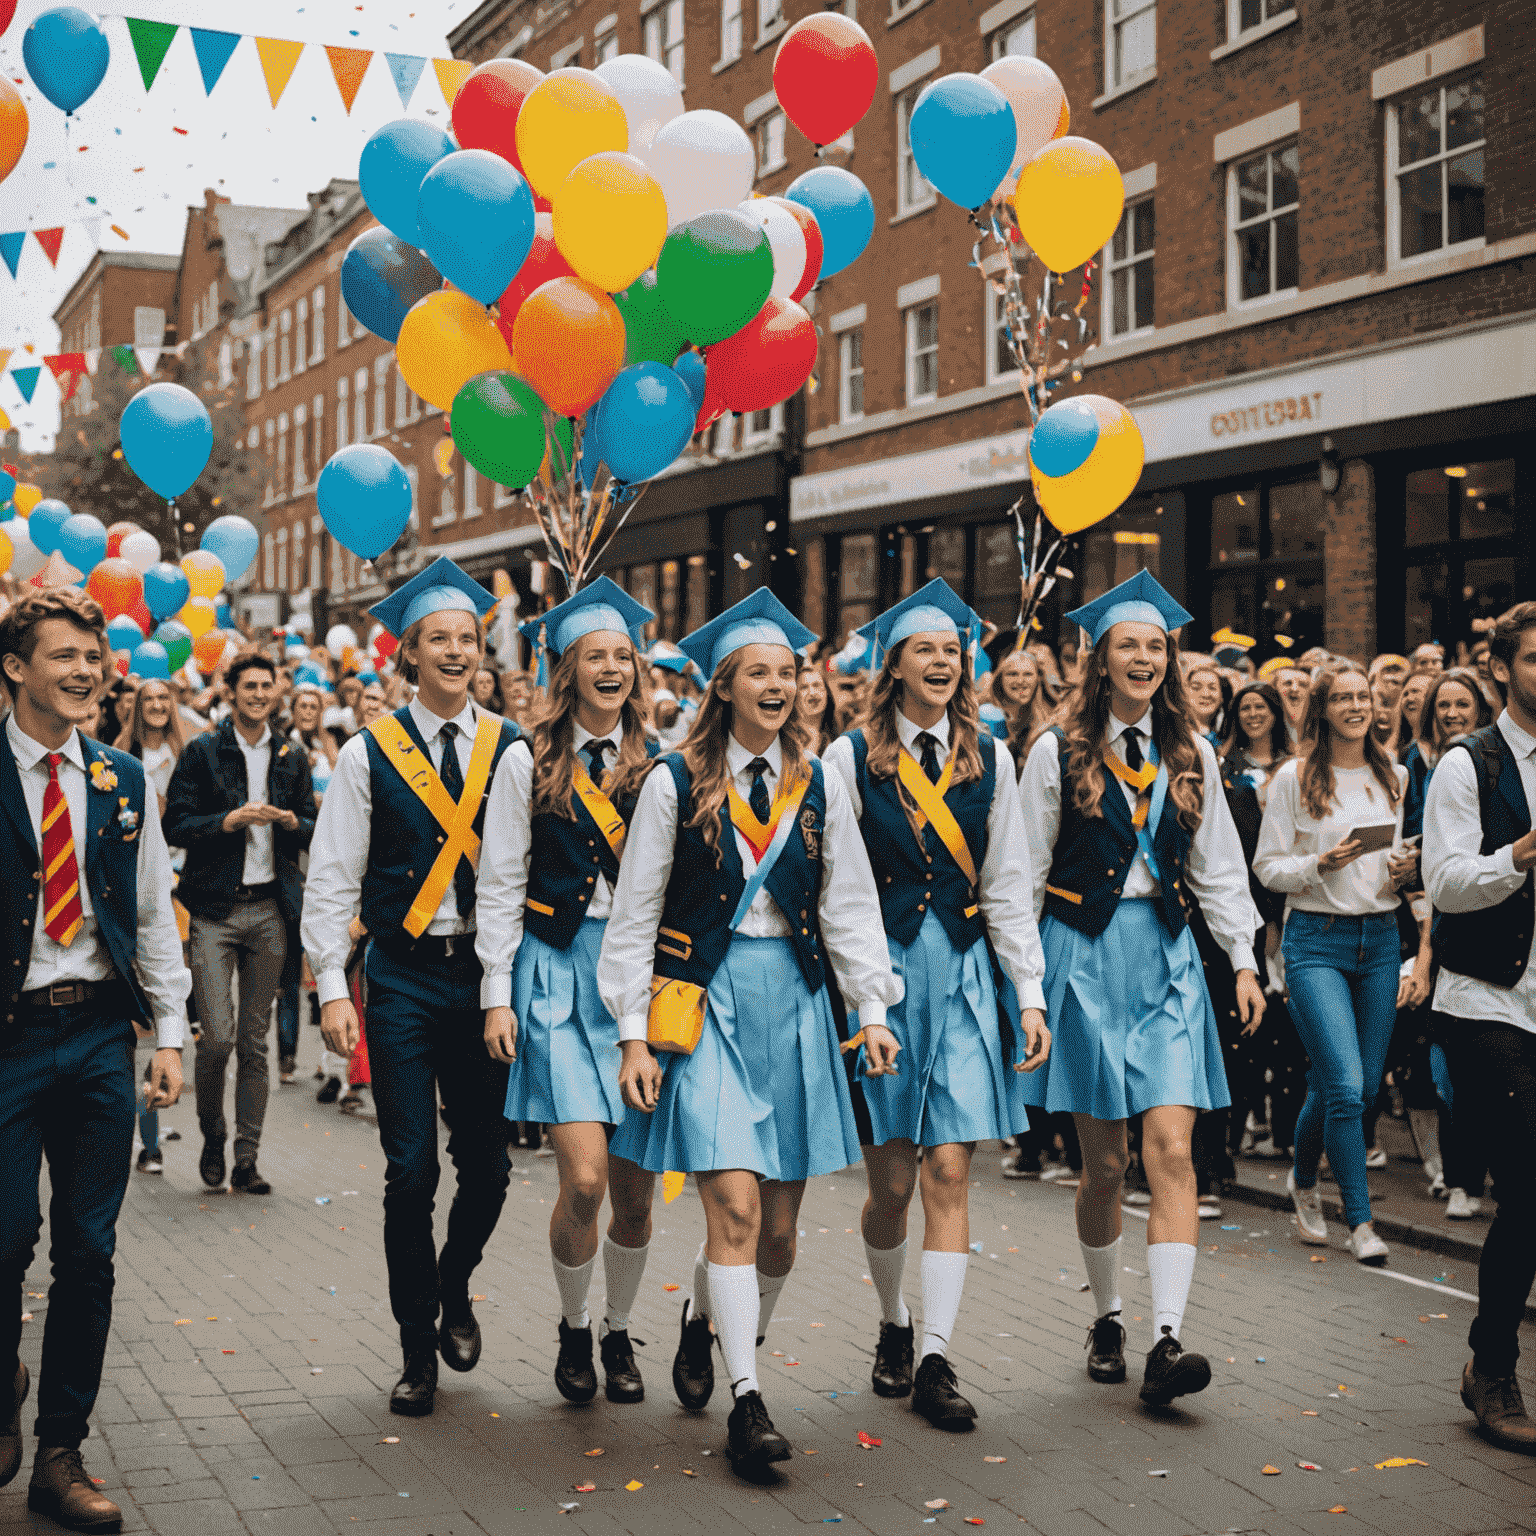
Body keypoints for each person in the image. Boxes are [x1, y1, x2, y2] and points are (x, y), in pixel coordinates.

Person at [598, 588, 900, 1475]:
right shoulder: (670, 781)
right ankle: (748, 1399)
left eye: (788, 673)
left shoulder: (821, 781)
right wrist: (631, 1034)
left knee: (777, 1231)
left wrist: (871, 1011)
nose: (778, 686)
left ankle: (705, 1322)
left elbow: (850, 905)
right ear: (724, 686)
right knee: (729, 1203)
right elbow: (634, 916)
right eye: (759, 673)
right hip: (707, 1005)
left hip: (799, 1006)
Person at [1018, 570, 1263, 1406]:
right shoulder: (1055, 749)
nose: (1146, 658)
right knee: (1104, 1163)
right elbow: (1019, 875)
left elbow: (1220, 869)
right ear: (1099, 657)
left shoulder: (1190, 753)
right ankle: (1109, 1314)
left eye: (1158, 646)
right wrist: (1028, 988)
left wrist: (1242, 960)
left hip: (1165, 958)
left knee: (1170, 1151)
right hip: (1082, 956)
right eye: (1131, 644)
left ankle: (1166, 1339)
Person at [823, 581, 1050, 1428]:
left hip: (959, 978)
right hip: (881, 980)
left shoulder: (993, 756)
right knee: (889, 1186)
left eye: (954, 651)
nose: (944, 662)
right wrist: (864, 996)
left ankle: (937, 1359)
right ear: (894, 666)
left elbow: (1008, 885)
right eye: (927, 650)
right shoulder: (847, 759)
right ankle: (893, 1321)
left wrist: (1026, 993)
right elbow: (839, 889)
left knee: (951, 1170)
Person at [302, 558, 520, 1419]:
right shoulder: (368, 754)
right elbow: (331, 875)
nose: (458, 651)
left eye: (468, 638)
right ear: (411, 656)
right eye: (441, 639)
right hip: (395, 978)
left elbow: (505, 879)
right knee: (408, 1172)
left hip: (477, 978)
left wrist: (499, 987)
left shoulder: (508, 746)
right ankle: (415, 1345)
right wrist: (329, 986)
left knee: (491, 1169)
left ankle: (453, 1282)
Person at [0, 587, 189, 1531]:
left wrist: (171, 1034)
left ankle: (59, 1454)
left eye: (93, 656)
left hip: (101, 1039)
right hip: (9, 1040)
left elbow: (153, 912)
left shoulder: (120, 779)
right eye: (64, 655)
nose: (85, 672)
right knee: (2, 1239)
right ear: (16, 667)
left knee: (90, 1250)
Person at [477, 580, 662, 1407]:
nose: (613, 667)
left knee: (632, 1189)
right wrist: (497, 991)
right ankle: (573, 1325)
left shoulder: (662, 762)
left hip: (636, 986)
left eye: (624, 655)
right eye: (597, 655)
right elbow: (501, 877)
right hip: (554, 973)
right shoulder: (527, 757)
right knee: (583, 1180)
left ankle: (620, 1328)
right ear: (567, 668)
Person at [1422, 601, 1536, 1452]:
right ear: (1503, 669)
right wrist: (1520, 855)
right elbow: (1448, 881)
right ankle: (1491, 1369)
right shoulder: (1469, 764)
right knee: (1530, 1188)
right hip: (1486, 1001)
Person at [1253, 661, 1413, 1266]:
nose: (1355, 706)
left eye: (1363, 696)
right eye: (1342, 697)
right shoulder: (1294, 778)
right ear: (1321, 709)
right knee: (1345, 1084)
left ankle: (1301, 1176)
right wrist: (1319, 863)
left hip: (1379, 939)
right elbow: (1267, 867)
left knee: (1355, 1087)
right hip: (1316, 941)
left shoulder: (1392, 774)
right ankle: (1362, 1222)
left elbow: (1398, 856)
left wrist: (1406, 866)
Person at [164, 652, 315, 1196]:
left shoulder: (290, 755)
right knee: (218, 1039)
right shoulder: (204, 752)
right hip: (214, 911)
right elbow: (174, 824)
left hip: (271, 910)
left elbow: (314, 828)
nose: (257, 694)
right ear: (229, 691)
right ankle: (212, 1135)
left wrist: (292, 820)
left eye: (265, 686)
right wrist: (229, 820)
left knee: (254, 1042)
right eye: (247, 685)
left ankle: (246, 1158)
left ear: (276, 693)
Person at [1403, 668, 1496, 839]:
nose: (1452, 714)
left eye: (1463, 704)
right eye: (1443, 705)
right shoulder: (1432, 760)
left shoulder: (1494, 759)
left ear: (1479, 710)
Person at [794, 659, 839, 754]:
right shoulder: (788, 737)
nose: (812, 692)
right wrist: (813, 739)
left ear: (826, 693)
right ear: (795, 697)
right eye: (804, 687)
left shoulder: (834, 733)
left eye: (817, 685)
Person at [1183, 659, 1227, 747]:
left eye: (1212, 688)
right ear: (1184, 693)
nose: (1205, 694)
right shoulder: (1174, 733)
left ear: (1222, 696)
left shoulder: (1227, 739)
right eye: (1196, 687)